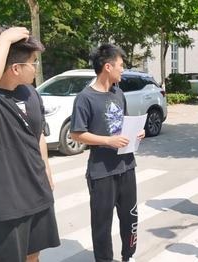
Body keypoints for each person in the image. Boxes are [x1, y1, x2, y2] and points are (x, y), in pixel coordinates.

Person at [0, 26, 59, 262]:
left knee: (33, 256)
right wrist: (4, 38)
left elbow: (38, 134)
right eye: (33, 62)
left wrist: (46, 168)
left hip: (37, 193)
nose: (36, 67)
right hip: (6, 202)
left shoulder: (30, 93)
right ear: (15, 68)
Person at [70, 44, 144, 262]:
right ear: (108, 67)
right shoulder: (85, 98)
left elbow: (124, 124)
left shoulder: (118, 93)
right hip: (101, 171)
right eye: (121, 65)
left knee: (130, 218)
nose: (123, 70)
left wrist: (135, 133)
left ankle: (128, 256)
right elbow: (77, 133)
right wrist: (107, 141)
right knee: (102, 224)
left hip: (127, 166)